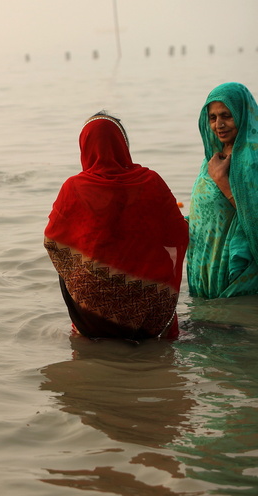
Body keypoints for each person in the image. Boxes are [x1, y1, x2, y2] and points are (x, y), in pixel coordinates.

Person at [44, 113, 188, 341]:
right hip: (149, 309)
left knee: (69, 255)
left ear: (84, 147)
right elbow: (179, 234)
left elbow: (52, 241)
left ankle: (86, 332)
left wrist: (86, 278)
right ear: (124, 145)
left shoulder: (73, 188)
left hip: (93, 312)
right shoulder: (151, 182)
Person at [187, 82, 258, 298]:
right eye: (212, 117)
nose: (219, 124)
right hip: (204, 268)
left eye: (226, 115)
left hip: (233, 272)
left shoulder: (251, 160)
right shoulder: (214, 156)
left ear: (242, 114)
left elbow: (254, 219)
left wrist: (222, 181)